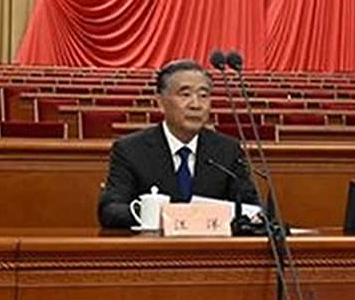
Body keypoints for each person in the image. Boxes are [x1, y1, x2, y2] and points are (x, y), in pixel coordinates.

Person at [97, 59, 259, 229]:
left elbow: (251, 207)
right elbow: (110, 210)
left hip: (210, 244)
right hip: (154, 244)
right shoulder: (130, 149)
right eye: (185, 95)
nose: (196, 105)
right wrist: (157, 213)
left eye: (203, 95)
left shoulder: (228, 150)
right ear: (160, 102)